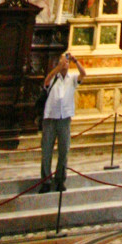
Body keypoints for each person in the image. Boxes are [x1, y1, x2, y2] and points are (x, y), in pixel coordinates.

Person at [40, 50, 86, 192]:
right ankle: (45, 181)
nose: (65, 63)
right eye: (62, 60)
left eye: (66, 61)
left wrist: (75, 60)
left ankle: (60, 179)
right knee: (46, 151)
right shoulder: (54, 77)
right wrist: (58, 68)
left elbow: (83, 74)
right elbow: (46, 81)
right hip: (50, 118)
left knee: (63, 151)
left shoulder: (72, 79)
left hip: (64, 118)